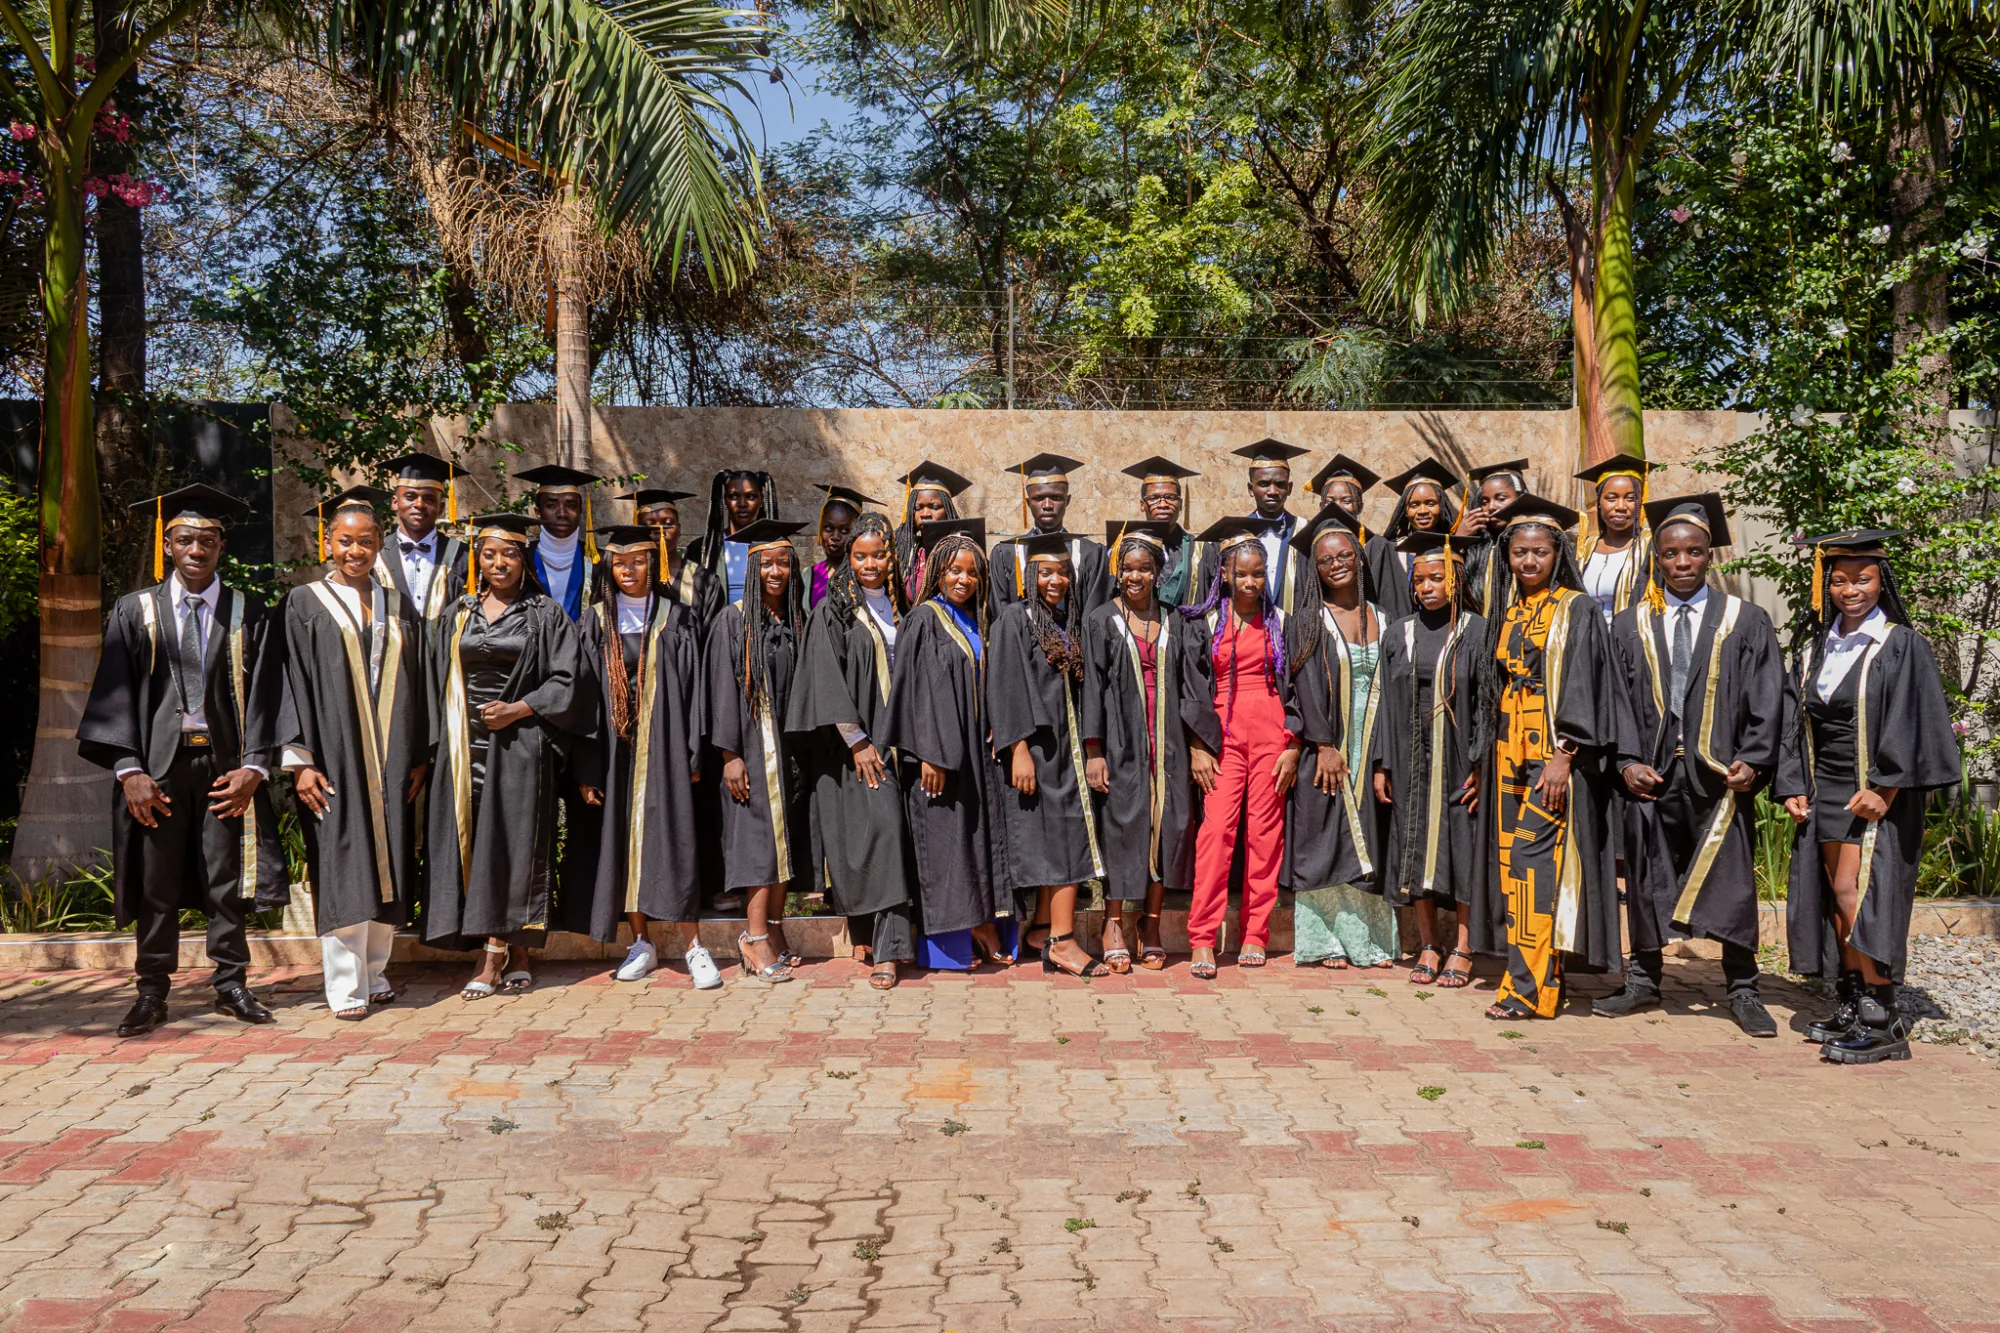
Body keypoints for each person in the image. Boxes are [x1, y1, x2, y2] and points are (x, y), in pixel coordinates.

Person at [78, 484, 286, 1037]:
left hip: (224, 768)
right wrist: (129, 771)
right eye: (186, 539)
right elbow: (112, 693)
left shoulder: (249, 611)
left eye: (209, 541)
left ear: (222, 547)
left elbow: (268, 694)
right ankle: (151, 992)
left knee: (226, 878)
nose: (198, 549)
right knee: (156, 883)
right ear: (168, 544)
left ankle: (231, 984)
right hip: (157, 771)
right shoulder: (135, 610)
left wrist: (255, 768)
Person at [1596, 494, 1784, 1036]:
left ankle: (1743, 987)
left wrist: (1754, 758)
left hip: (1719, 774)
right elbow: (1615, 700)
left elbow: (1768, 697)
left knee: (1731, 878)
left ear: (1709, 557)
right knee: (1648, 873)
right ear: (1657, 558)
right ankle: (1644, 980)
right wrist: (1627, 761)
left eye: (1693, 552)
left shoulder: (1745, 620)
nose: (1682, 562)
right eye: (1672, 553)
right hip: (1652, 775)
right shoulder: (1630, 624)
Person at [1777, 530, 1961, 1063]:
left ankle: (1885, 1018)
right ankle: (1854, 999)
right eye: (1839, 580)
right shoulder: (1817, 645)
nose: (1850, 590)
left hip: (1876, 790)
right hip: (1827, 785)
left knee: (1859, 894)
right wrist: (1792, 784)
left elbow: (1912, 718)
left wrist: (1886, 786)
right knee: (1837, 894)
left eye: (1863, 579)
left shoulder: (1901, 644)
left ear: (1882, 583)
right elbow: (1797, 719)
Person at [423, 513, 593, 998]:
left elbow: (568, 679)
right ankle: (513, 949)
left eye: (510, 554)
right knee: (475, 846)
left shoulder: (544, 614)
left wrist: (519, 709)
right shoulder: (460, 613)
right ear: (479, 559)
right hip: (465, 745)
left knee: (516, 847)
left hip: (521, 745)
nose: (500, 563)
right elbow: (438, 676)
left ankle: (494, 952)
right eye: (490, 554)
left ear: (525, 560)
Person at [280, 487, 428, 1019]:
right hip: (334, 758)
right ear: (328, 542)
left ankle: (377, 973)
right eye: (345, 541)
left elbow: (420, 681)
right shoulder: (303, 603)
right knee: (344, 864)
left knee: (388, 861)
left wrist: (420, 755)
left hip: (390, 757)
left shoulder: (397, 604)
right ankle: (345, 988)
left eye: (366, 542)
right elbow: (288, 683)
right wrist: (299, 761)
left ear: (380, 544)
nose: (355, 551)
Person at [1473, 494, 1621, 1021]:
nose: (1529, 562)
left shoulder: (1575, 608)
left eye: (1539, 552)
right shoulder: (1509, 611)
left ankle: (1524, 989)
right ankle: (1545, 978)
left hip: (1549, 758)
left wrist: (1564, 756)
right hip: (1507, 754)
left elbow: (1584, 684)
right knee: (1518, 872)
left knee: (1534, 867)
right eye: (1519, 553)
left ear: (1557, 554)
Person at [564, 525, 716, 988]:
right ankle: (641, 943)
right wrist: (588, 765)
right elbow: (583, 698)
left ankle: (693, 945)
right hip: (615, 750)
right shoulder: (594, 619)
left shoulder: (679, 616)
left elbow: (695, 692)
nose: (629, 570)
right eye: (621, 562)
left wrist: (693, 752)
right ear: (609, 566)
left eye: (638, 561)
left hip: (666, 746)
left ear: (655, 563)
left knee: (676, 840)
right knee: (623, 843)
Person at [785, 512, 920, 990]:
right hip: (858, 751)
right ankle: (888, 951)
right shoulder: (834, 610)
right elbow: (825, 679)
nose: (869, 563)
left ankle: (871, 934)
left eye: (879, 554)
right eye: (860, 555)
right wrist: (858, 741)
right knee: (880, 834)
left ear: (892, 556)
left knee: (896, 839)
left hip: (903, 745)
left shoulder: (906, 608)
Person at [882, 518, 1011, 968]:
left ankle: (982, 921)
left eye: (972, 572)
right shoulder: (923, 619)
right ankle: (953, 943)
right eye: (955, 570)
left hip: (977, 752)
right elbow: (914, 691)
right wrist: (927, 756)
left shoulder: (979, 619)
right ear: (938, 571)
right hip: (940, 757)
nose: (964, 579)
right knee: (947, 843)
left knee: (975, 839)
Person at [1181, 518, 1301, 978]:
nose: (1251, 581)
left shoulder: (1281, 622)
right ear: (1225, 574)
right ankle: (1203, 937)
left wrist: (1293, 742)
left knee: (1265, 835)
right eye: (1242, 573)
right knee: (1216, 834)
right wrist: (1198, 745)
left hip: (1271, 731)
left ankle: (1255, 933)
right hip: (1221, 735)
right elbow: (1192, 690)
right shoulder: (1204, 622)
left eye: (1258, 572)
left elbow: (1297, 688)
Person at [989, 532, 1109, 978]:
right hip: (1038, 750)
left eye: (1062, 572)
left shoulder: (1067, 620)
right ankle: (1062, 941)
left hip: (1068, 748)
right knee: (1058, 842)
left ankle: (1042, 928)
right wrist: (1017, 747)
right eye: (1045, 572)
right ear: (1029, 576)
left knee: (1060, 837)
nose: (1055, 580)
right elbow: (1003, 686)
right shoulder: (1014, 621)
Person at [1370, 532, 1486, 989]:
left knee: (1462, 848)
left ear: (1457, 580)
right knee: (1414, 847)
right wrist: (1383, 763)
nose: (1427, 587)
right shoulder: (1399, 631)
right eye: (1419, 580)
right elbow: (1383, 700)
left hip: (1459, 757)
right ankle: (1428, 945)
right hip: (1410, 755)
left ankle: (1463, 945)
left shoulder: (1477, 630)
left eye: (1437, 577)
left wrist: (1480, 763)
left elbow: (1486, 704)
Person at [1084, 521, 1200, 972]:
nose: (1136, 577)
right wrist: (1094, 750)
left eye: (1144, 569)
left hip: (1168, 739)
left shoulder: (1175, 620)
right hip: (1120, 741)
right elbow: (1092, 687)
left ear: (1158, 572)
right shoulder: (1101, 619)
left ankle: (1150, 925)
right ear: (1119, 572)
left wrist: (1197, 745)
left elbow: (1192, 685)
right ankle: (1113, 922)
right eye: (1128, 569)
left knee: (1168, 827)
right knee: (1122, 826)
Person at [1285, 510, 1397, 968]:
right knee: (1324, 835)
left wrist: (1385, 757)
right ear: (1316, 569)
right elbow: (1303, 684)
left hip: (1374, 740)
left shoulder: (1385, 617)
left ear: (1359, 558)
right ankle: (1325, 940)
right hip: (1327, 745)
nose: (1337, 564)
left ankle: (1370, 941)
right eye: (1326, 559)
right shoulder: (1309, 620)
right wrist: (1324, 744)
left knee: (1371, 835)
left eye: (1344, 555)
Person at [705, 519, 812, 982]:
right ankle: (752, 938)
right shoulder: (734, 620)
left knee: (784, 842)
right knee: (758, 846)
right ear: (751, 570)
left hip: (788, 751)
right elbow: (721, 691)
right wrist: (729, 754)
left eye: (783, 562)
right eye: (766, 563)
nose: (776, 570)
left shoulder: (794, 620)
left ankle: (774, 927)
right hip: (750, 749)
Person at [1193, 439, 1316, 613]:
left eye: (1280, 484)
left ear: (1289, 488)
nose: (1272, 491)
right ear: (1250, 488)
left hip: (1296, 631)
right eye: (1264, 484)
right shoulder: (1233, 535)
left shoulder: (1306, 532)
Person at [989, 453, 1112, 617]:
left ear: (1067, 500)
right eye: (1038, 498)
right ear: (1028, 503)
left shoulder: (1092, 554)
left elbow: (1094, 617)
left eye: (1056, 497)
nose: (1047, 505)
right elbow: (1001, 615)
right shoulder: (1006, 554)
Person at [688, 469, 804, 617]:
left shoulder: (776, 548)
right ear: (725, 499)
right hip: (721, 632)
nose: (742, 504)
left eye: (750, 496)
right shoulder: (703, 549)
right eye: (734, 496)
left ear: (761, 499)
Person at [375, 453, 470, 622]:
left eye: (429, 499)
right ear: (395, 503)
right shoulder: (376, 555)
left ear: (441, 507)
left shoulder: (462, 556)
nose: (419, 505)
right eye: (410, 497)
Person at [1308, 454, 1402, 619]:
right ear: (1321, 506)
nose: (1337, 507)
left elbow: (1392, 601)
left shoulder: (1378, 546)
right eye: (1330, 501)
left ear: (1360, 505)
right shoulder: (1311, 547)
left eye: (1346, 500)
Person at [624, 487, 724, 635]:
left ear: (679, 529)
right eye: (649, 524)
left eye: (668, 523)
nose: (659, 530)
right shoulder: (627, 578)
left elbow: (714, 637)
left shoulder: (703, 581)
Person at [515, 465, 603, 622]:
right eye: (551, 505)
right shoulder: (521, 559)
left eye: (571, 505)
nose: (562, 513)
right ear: (537, 512)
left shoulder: (599, 560)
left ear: (581, 510)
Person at [1575, 456, 1656, 623]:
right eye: (1611, 498)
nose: (1620, 506)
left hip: (1631, 643)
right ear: (1598, 502)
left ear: (1641, 502)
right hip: (1588, 645)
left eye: (1631, 498)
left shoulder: (1652, 547)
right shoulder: (1582, 549)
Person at [1378, 458, 1463, 608]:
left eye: (1430, 503)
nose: (1422, 511)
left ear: (1442, 506)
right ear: (1405, 511)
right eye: (1414, 505)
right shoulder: (1390, 552)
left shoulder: (1458, 548)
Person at [1120, 456, 1202, 606]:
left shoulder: (1201, 551)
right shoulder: (1122, 549)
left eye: (1170, 497)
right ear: (1142, 504)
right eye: (1154, 498)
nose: (1163, 504)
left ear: (1181, 504)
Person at [1453, 459, 1529, 618]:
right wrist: (1458, 542)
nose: (1492, 507)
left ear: (1521, 498)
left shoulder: (1538, 545)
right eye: (1484, 502)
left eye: (1501, 498)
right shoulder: (1475, 548)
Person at [892, 460, 972, 604]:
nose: (925, 513)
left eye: (934, 506)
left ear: (947, 511)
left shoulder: (962, 552)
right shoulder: (905, 552)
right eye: (918, 508)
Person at [809, 484, 874, 608]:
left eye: (844, 530)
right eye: (828, 528)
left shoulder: (865, 573)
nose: (835, 537)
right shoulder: (808, 576)